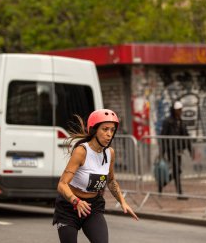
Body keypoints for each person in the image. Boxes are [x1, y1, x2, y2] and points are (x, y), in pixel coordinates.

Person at [53, 109, 139, 243]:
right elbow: (62, 184)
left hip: (92, 207)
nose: (109, 134)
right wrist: (76, 201)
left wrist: (123, 202)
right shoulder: (81, 151)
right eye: (105, 129)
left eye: (112, 130)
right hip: (69, 207)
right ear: (94, 130)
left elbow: (110, 181)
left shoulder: (110, 153)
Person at [160, 101, 191, 200]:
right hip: (171, 149)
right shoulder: (168, 122)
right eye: (178, 110)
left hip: (179, 150)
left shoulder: (181, 121)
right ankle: (180, 193)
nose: (180, 112)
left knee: (177, 170)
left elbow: (186, 136)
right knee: (177, 170)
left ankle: (162, 183)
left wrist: (190, 150)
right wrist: (162, 152)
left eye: (181, 110)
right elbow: (163, 137)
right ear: (174, 110)